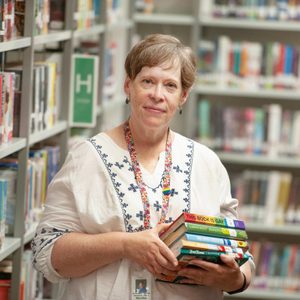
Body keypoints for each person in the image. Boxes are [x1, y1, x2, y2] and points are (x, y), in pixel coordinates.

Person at [32, 34, 255, 300]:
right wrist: (124, 245)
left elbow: (242, 258)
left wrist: (235, 279)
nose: (157, 95)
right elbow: (46, 252)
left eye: (170, 86)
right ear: (129, 85)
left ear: (183, 96)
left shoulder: (207, 164)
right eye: (147, 81)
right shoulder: (87, 157)